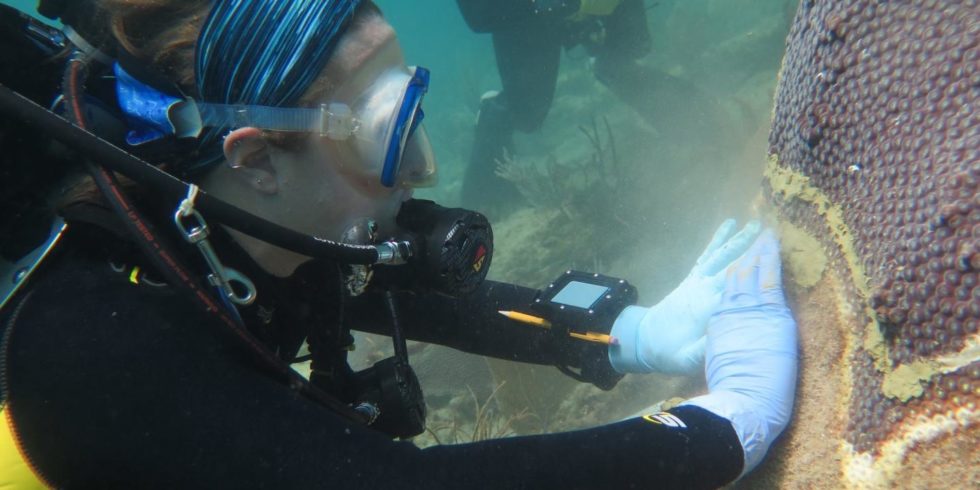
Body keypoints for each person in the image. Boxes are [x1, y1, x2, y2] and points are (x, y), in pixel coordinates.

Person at [0, 1, 797, 488]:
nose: (427, 167)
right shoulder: (104, 344)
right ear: (255, 159)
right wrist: (720, 429)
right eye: (387, 136)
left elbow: (391, 287)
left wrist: (625, 333)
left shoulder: (236, 222)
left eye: (413, 112)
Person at [455, 0, 723, 212]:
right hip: (528, 16)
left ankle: (697, 128)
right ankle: (487, 195)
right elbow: (478, 14)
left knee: (627, 55)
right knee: (526, 114)